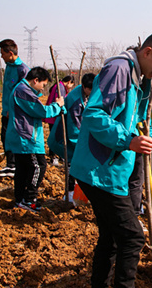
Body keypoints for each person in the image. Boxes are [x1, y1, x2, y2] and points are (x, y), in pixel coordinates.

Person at [70, 31, 152, 288]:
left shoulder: (138, 78)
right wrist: (127, 139)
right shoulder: (119, 68)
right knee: (132, 237)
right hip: (100, 171)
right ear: (147, 52)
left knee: (111, 239)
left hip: (111, 171)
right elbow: (94, 115)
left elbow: (133, 116)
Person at [6, 67, 65, 212]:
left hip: (22, 136)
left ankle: (20, 200)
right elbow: (41, 111)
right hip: (26, 138)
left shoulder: (21, 89)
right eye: (43, 85)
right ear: (35, 80)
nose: (43, 89)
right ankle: (29, 199)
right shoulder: (23, 91)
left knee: (23, 169)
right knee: (38, 166)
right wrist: (58, 105)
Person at [47, 73, 95, 203]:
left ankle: (76, 192)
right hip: (66, 138)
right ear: (84, 86)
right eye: (90, 90)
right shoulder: (75, 101)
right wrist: (83, 146)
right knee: (72, 165)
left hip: (78, 137)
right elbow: (74, 129)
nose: (92, 92)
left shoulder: (85, 93)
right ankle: (69, 194)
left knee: (78, 165)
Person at [0, 39, 29, 178]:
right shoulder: (9, 66)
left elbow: (24, 93)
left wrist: (14, 109)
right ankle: (10, 164)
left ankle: (14, 166)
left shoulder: (23, 70)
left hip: (15, 112)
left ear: (10, 53)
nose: (1, 56)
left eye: (2, 53)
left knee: (14, 137)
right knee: (5, 137)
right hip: (6, 110)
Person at [44, 75, 75, 166]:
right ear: (69, 82)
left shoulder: (59, 86)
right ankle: (54, 157)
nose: (71, 87)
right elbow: (60, 102)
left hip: (53, 115)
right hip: (55, 116)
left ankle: (56, 155)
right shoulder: (60, 87)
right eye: (72, 85)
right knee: (56, 136)